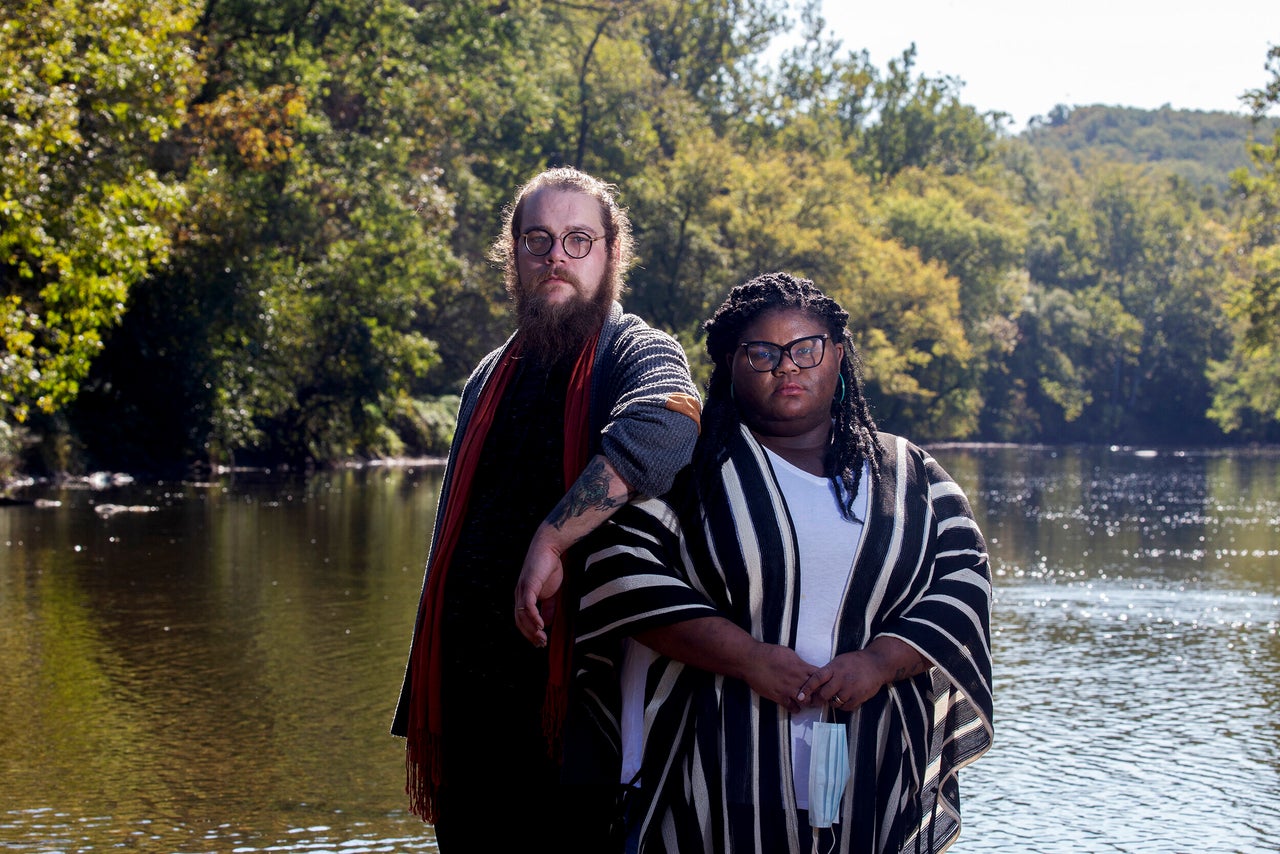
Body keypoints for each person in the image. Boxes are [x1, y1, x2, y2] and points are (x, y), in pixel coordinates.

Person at [559, 272, 993, 853]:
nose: (786, 367)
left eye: (805, 349)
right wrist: (748, 659)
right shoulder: (691, 476)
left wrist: (880, 662)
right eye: (761, 353)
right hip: (718, 769)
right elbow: (620, 571)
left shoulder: (909, 476)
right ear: (731, 366)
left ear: (837, 355)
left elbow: (963, 581)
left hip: (872, 760)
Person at [390, 167, 702, 853]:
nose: (555, 256)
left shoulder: (637, 352)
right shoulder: (488, 374)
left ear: (612, 254)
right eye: (538, 240)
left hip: (570, 718)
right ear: (515, 257)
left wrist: (552, 540)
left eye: (577, 239)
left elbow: (669, 424)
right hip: (469, 714)